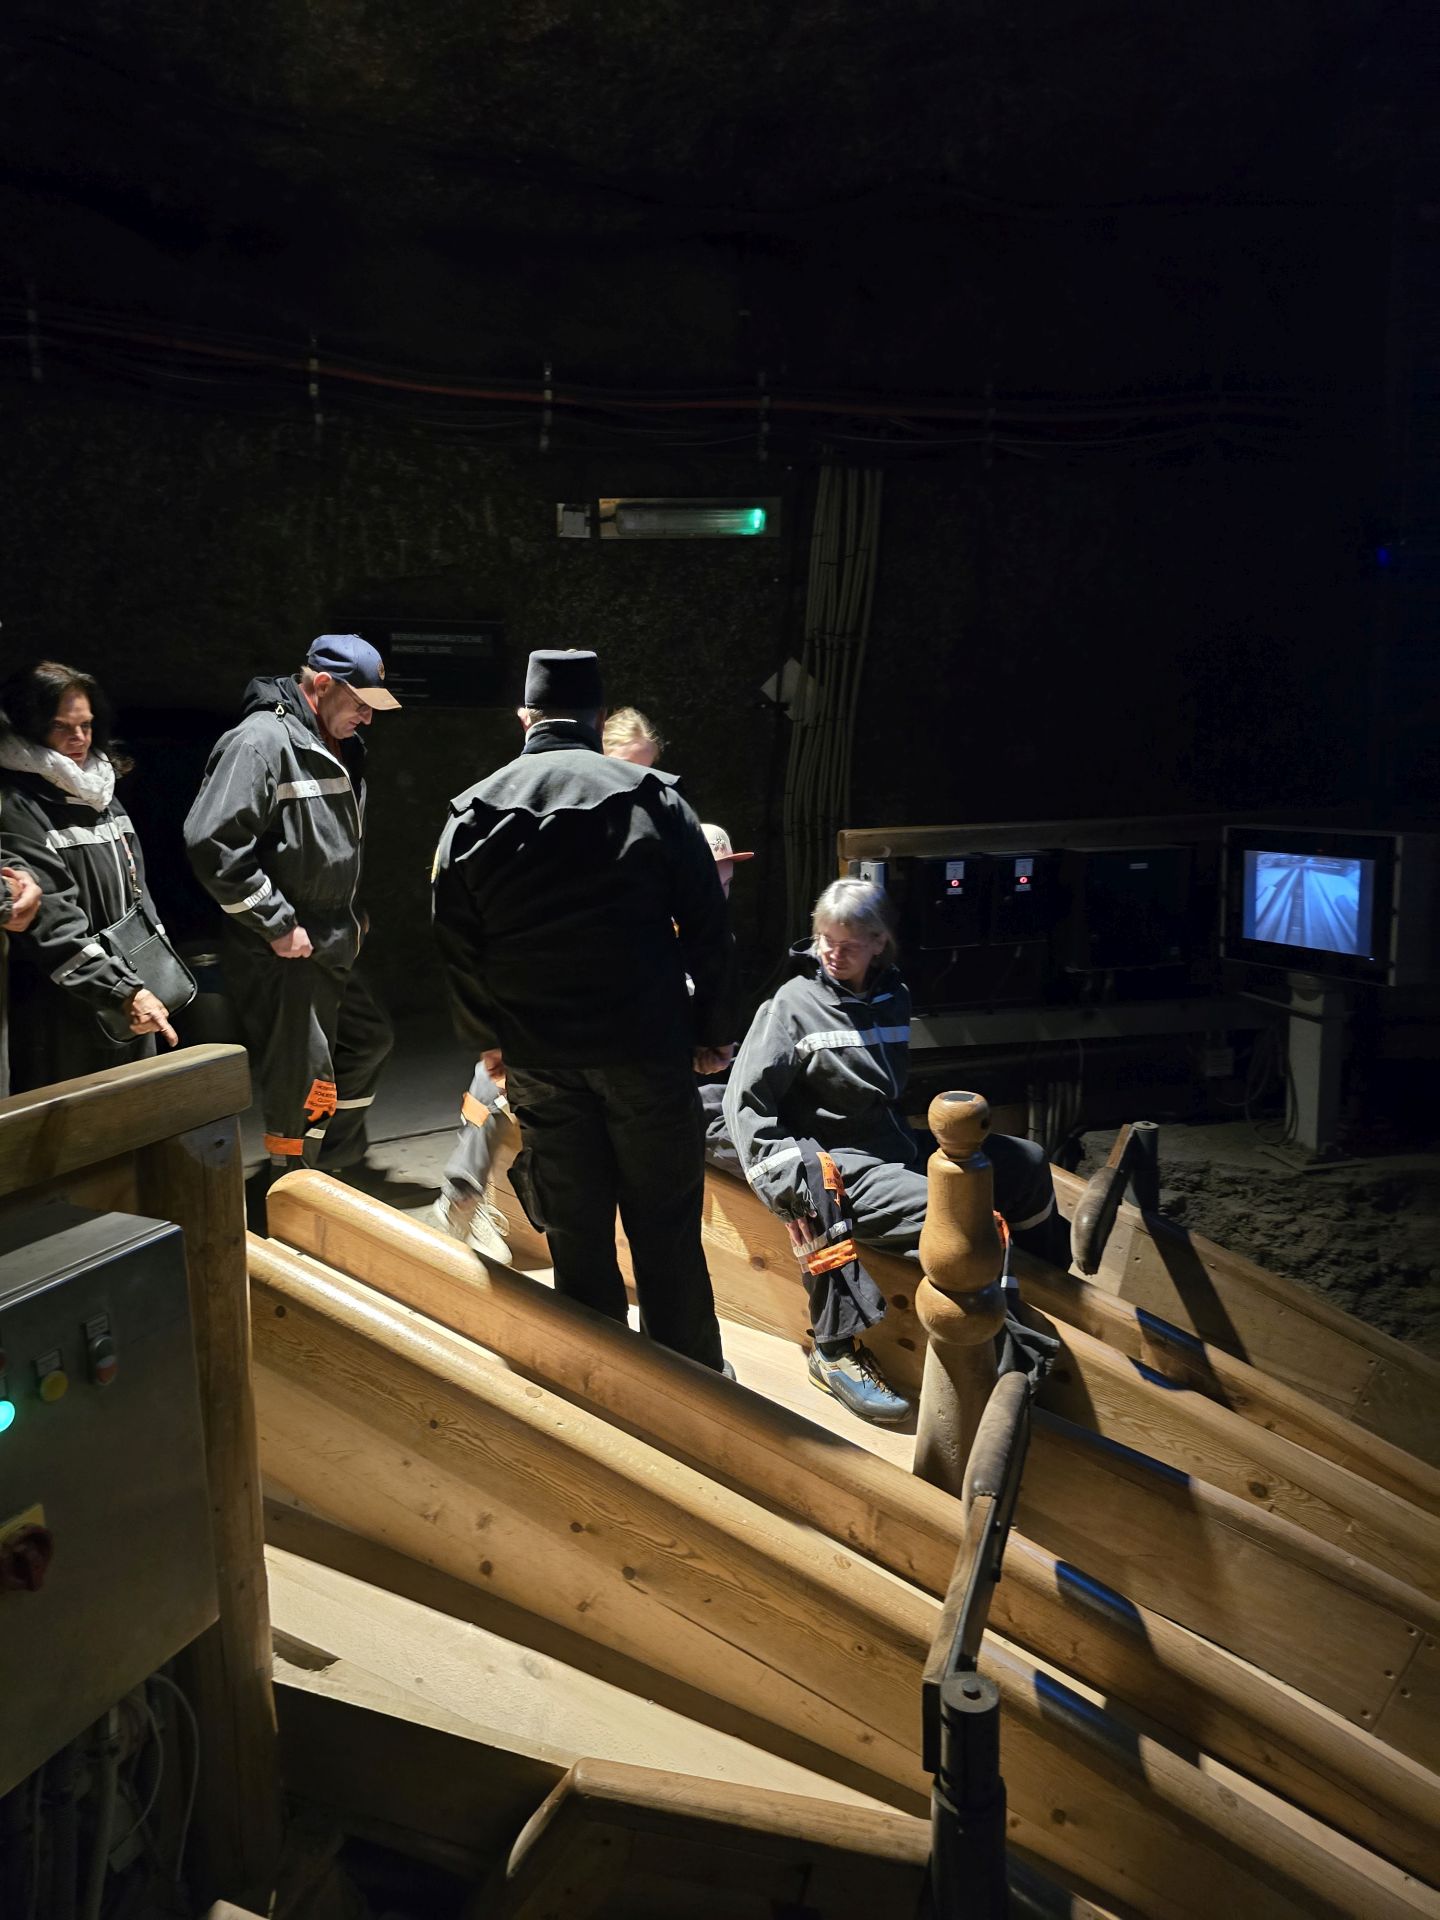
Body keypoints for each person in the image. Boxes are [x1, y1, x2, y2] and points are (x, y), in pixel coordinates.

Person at [432, 648, 736, 1372]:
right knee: (665, 1230)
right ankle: (694, 1388)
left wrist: (488, 1040)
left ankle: (597, 1385)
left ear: (526, 718)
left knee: (575, 1231)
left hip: (538, 1056)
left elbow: (454, 941)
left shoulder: (471, 814)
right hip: (646, 1049)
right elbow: (708, 928)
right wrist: (712, 1031)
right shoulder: (656, 802)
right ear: (599, 718)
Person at [723, 877, 1066, 1424]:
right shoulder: (792, 1005)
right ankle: (846, 1353)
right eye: (825, 940)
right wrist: (787, 1180)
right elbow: (745, 1103)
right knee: (956, 1218)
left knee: (1025, 1162)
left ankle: (1054, 1288)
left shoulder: (893, 996)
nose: (833, 954)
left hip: (890, 1142)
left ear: (879, 942)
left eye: (848, 944)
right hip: (840, 1156)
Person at [429, 703, 684, 1263]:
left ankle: (469, 1189)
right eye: (626, 764)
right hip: (567, 1020)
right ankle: (465, 1188)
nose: (632, 779)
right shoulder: (552, 818)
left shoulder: (652, 818)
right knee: (497, 1071)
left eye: (644, 767)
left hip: (623, 1018)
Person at [184, 635, 399, 1206]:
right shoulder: (260, 742)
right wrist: (275, 922)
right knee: (302, 1077)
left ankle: (333, 1166)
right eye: (361, 703)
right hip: (287, 948)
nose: (368, 717)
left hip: (333, 937)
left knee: (367, 1041)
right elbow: (211, 841)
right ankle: (289, 1195)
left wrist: (351, 914)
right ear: (322, 684)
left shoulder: (335, 742)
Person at [0, 661, 178, 1092]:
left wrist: (146, 977)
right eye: (61, 727)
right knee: (79, 1124)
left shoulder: (100, 792)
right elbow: (53, 923)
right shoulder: (17, 804)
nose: (79, 738)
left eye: (86, 725)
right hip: (61, 1005)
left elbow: (139, 893)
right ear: (30, 727)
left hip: (127, 989)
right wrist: (120, 989)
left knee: (139, 1111)